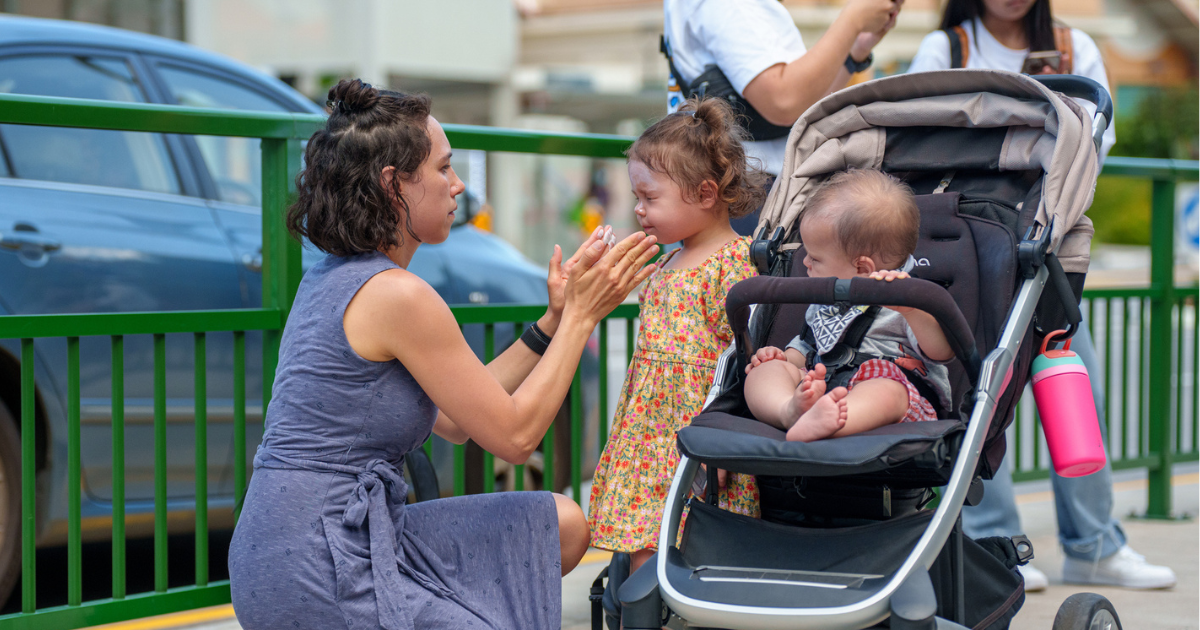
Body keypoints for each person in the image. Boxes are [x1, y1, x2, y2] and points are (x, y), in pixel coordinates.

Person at [228, 79, 661, 630]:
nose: (458, 186)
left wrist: (552, 323)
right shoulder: (396, 295)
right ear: (393, 185)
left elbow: (457, 421)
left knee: (563, 524)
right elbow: (516, 435)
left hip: (330, 537)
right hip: (314, 560)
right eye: (443, 168)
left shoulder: (339, 277)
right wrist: (582, 317)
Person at [908, 0, 1175, 591]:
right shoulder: (945, 50)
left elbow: (1093, 147)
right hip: (972, 245)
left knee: (1078, 384)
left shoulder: (1075, 47)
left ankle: (1095, 544)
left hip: (1048, 244)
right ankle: (995, 545)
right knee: (981, 393)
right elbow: (923, 144)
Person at [587, 98, 766, 576]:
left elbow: (743, 361)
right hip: (650, 439)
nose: (640, 211)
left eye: (650, 198)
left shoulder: (732, 264)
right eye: (637, 198)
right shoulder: (667, 261)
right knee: (643, 548)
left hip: (695, 439)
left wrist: (725, 436)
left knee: (690, 549)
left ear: (706, 193)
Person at [743, 170, 952, 442]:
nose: (805, 263)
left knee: (887, 392)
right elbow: (806, 348)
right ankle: (788, 411)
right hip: (822, 383)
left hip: (886, 391)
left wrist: (912, 310)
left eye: (815, 258)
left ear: (862, 268)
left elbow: (942, 351)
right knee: (761, 372)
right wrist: (781, 359)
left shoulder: (909, 296)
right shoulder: (826, 298)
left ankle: (831, 423)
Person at [663, 0, 902, 234]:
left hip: (742, 186)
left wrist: (853, 51)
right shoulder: (732, 6)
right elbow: (784, 101)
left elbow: (805, 106)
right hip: (751, 193)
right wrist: (853, 19)